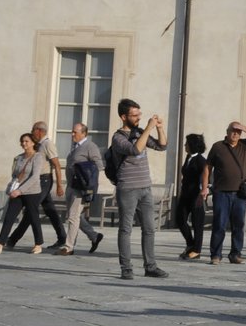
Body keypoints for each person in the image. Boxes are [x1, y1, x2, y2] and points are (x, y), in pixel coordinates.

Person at [108, 98, 168, 280]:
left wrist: (159, 127)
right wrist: (148, 128)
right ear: (123, 116)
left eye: (139, 114)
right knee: (125, 229)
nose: (138, 118)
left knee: (149, 229)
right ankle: (126, 268)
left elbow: (162, 146)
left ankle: (150, 266)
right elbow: (135, 150)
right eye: (134, 115)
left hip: (145, 187)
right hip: (127, 188)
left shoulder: (140, 132)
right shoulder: (118, 137)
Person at [202, 121, 246, 265]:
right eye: (233, 131)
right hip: (221, 192)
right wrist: (204, 188)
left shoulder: (244, 145)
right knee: (219, 224)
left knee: (239, 225)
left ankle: (235, 254)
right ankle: (216, 255)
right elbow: (207, 168)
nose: (236, 133)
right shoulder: (218, 147)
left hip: (240, 194)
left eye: (238, 131)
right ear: (227, 131)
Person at [0, 132, 46, 254]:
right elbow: (15, 175)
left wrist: (20, 190)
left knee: (33, 218)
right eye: (22, 141)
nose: (24, 143)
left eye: (26, 141)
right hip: (17, 192)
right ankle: (0, 244)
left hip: (32, 192)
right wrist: (13, 188)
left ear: (33, 143)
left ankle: (38, 244)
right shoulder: (18, 158)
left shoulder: (38, 157)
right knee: (9, 217)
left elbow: (35, 177)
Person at [58, 122, 104, 256]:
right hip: (71, 186)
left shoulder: (90, 146)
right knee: (74, 216)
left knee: (72, 217)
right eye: (72, 132)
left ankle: (68, 247)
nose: (72, 134)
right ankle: (94, 236)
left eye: (75, 132)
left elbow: (99, 165)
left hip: (81, 188)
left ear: (84, 133)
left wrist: (85, 172)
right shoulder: (75, 148)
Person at [27, 120, 69, 249]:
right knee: (50, 210)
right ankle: (62, 237)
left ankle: (12, 239)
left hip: (45, 180)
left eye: (33, 129)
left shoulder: (47, 144)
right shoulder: (39, 145)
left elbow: (56, 165)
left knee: (31, 207)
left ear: (39, 131)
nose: (31, 132)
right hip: (39, 179)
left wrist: (59, 185)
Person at [174, 133, 206, 260]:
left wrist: (203, 190)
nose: (185, 145)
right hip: (185, 194)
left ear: (192, 145)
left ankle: (197, 250)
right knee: (180, 219)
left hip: (196, 196)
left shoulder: (201, 160)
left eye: (186, 143)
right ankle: (190, 243)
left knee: (197, 223)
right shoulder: (188, 157)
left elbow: (206, 176)